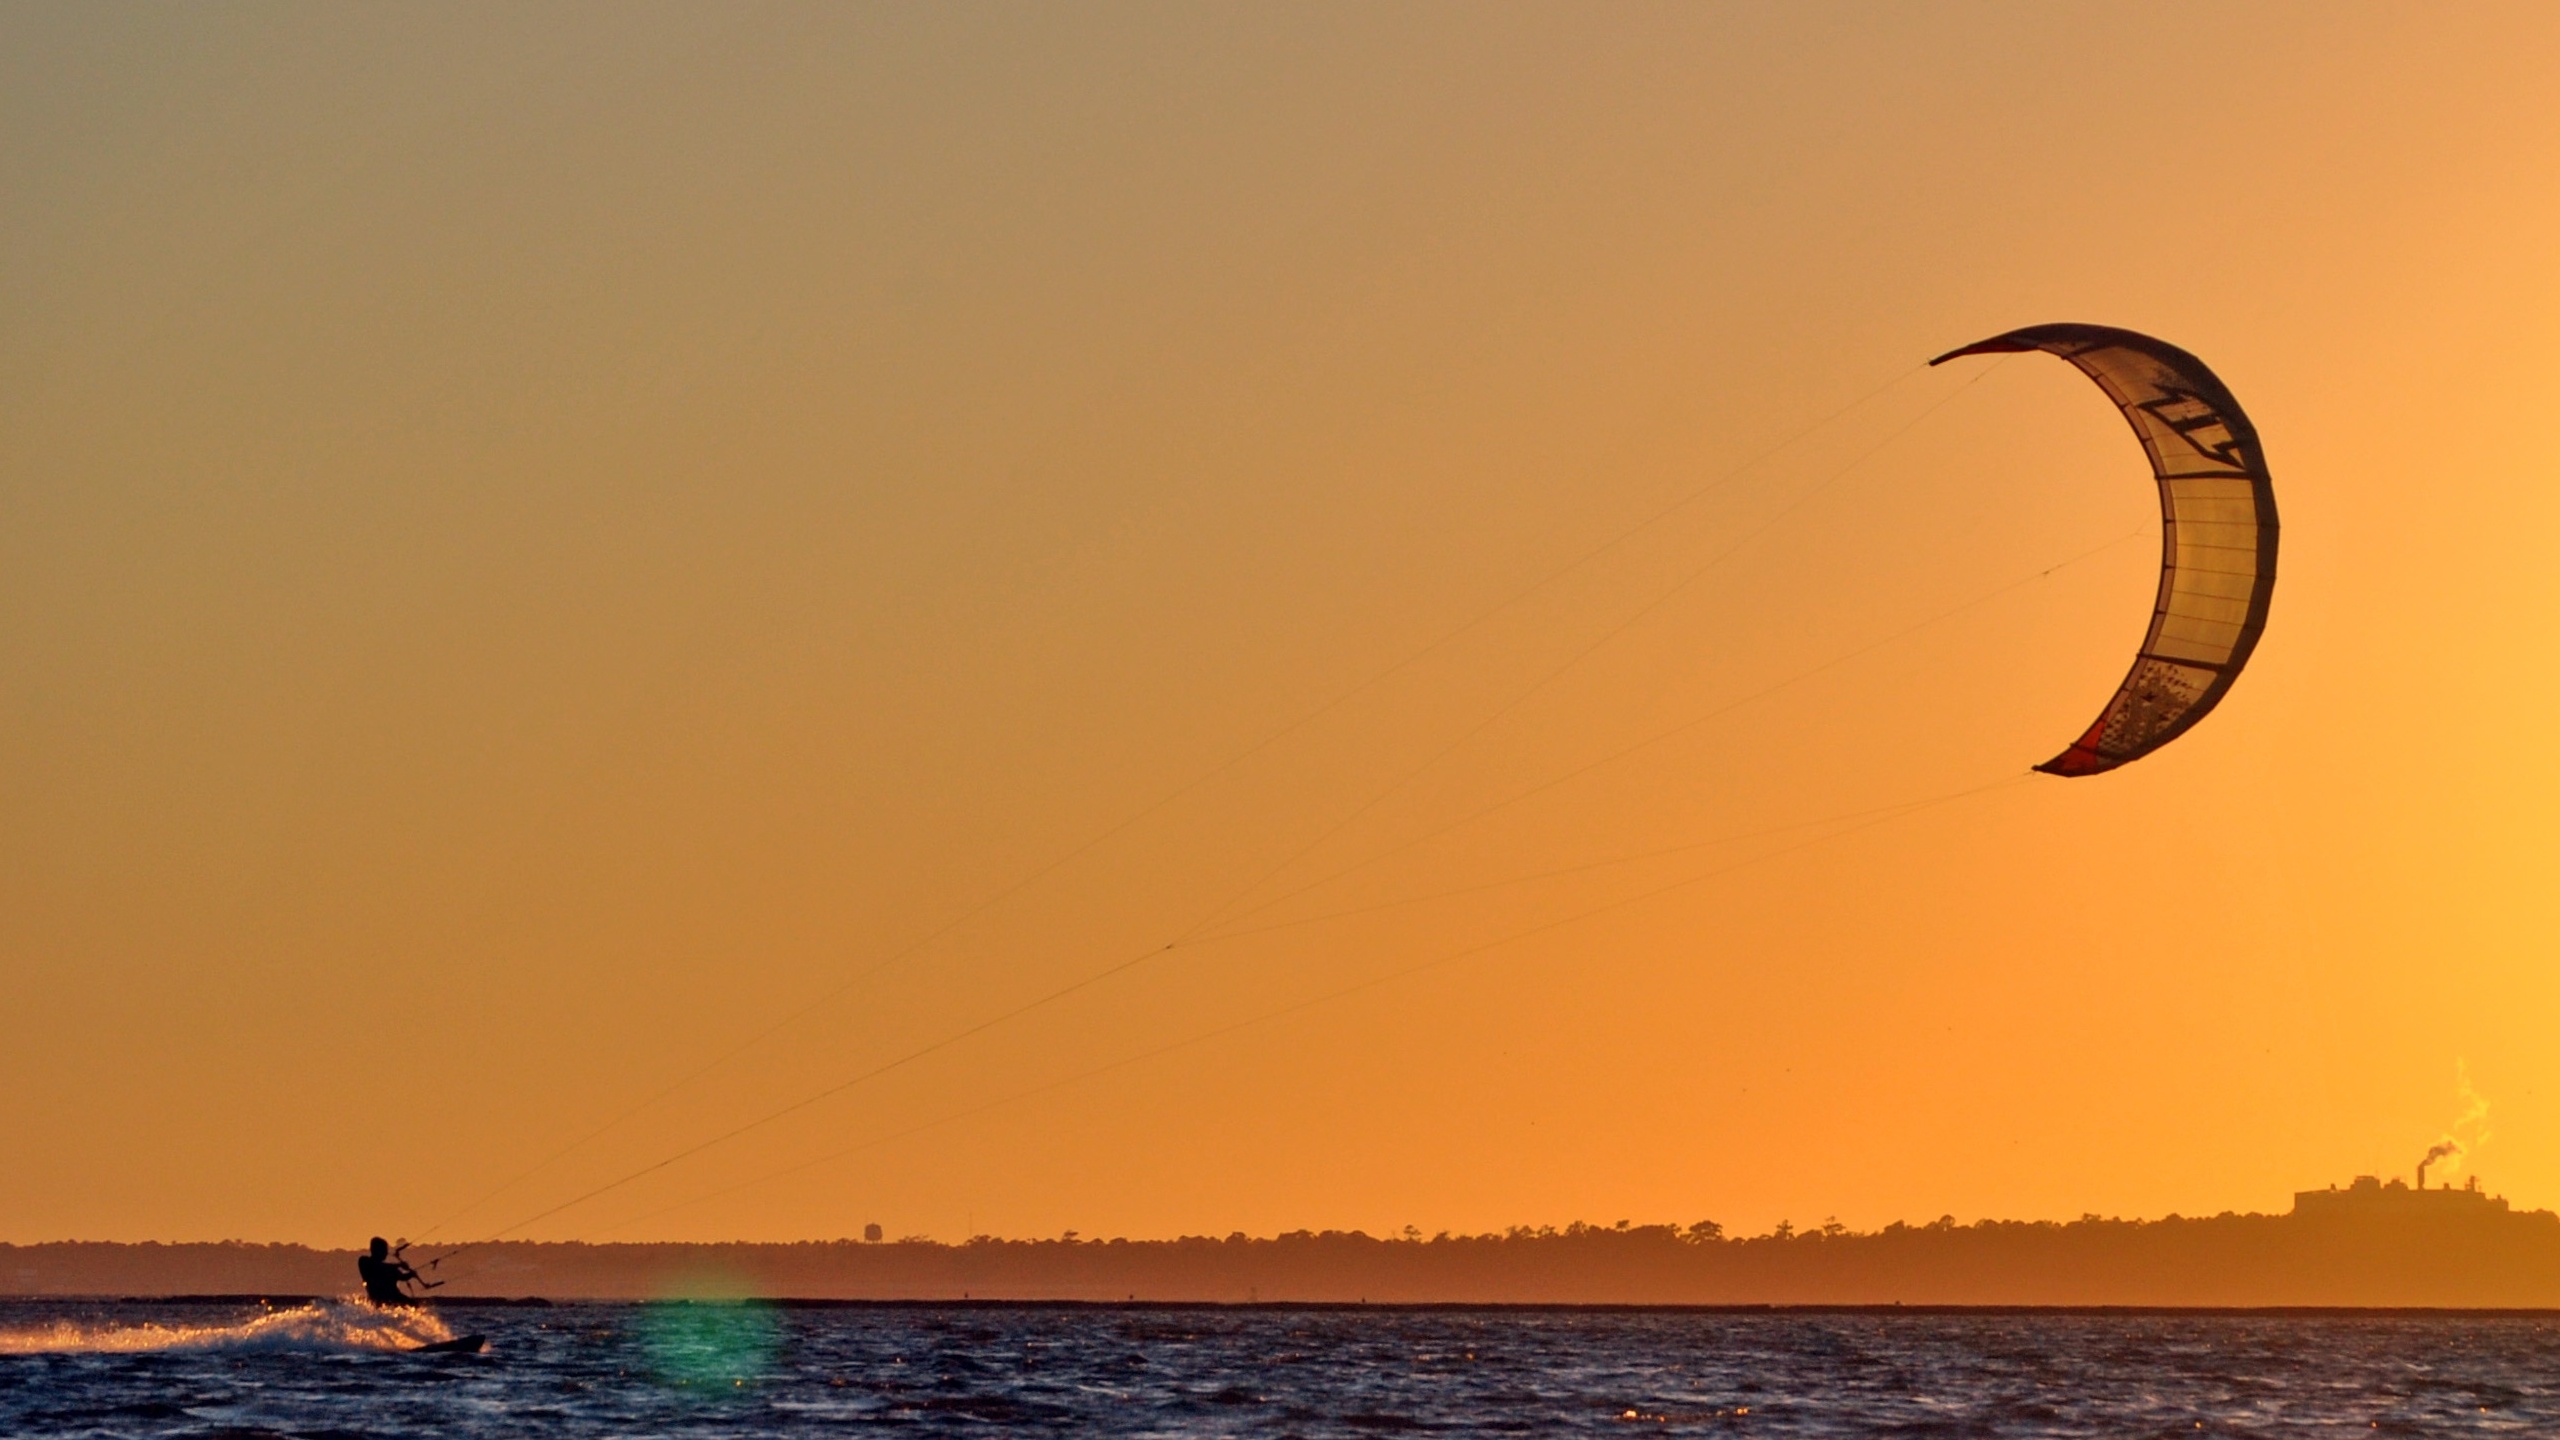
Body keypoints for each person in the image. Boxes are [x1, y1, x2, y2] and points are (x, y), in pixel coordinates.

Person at [357, 1236, 430, 1306]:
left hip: (393, 1298)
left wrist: (411, 1274)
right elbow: (377, 1266)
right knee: (412, 1304)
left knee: (413, 1304)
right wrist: (399, 1265)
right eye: (384, 1250)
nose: (386, 1253)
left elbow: (402, 1277)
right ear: (375, 1250)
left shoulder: (390, 1269)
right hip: (385, 1298)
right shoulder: (364, 1262)